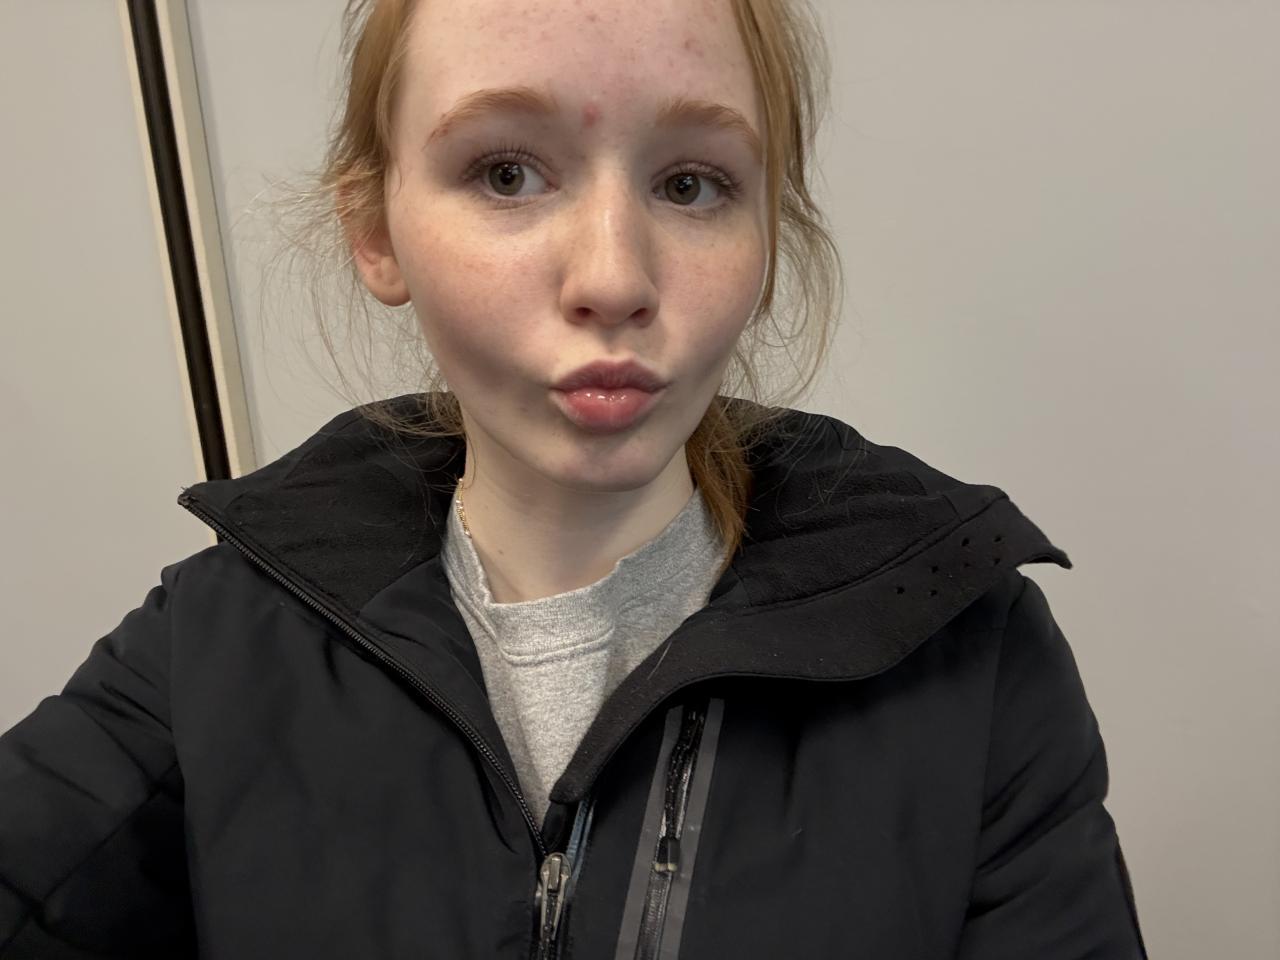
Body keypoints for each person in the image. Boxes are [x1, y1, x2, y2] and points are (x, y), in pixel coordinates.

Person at [0, 0, 1149, 957]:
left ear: (765, 236)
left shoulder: (969, 656)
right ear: (376, 231)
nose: (612, 278)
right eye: (506, 172)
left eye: (690, 184)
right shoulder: (211, 643)